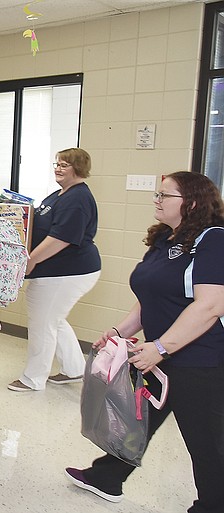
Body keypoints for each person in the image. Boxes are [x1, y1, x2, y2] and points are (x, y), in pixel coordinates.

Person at [65, 171, 224, 511]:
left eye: (164, 195)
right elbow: (148, 297)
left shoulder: (214, 241)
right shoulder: (165, 239)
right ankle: (107, 477)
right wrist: (119, 331)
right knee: (139, 421)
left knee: (208, 442)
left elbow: (210, 305)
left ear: (192, 203)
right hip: (158, 355)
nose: (157, 199)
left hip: (201, 362)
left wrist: (162, 346)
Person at [8, 148, 101, 392]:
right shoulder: (60, 194)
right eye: (57, 164)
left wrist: (32, 259)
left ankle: (33, 378)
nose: (58, 168)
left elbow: (61, 238)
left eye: (65, 165)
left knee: (42, 323)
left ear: (79, 168)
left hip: (67, 271)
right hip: (59, 271)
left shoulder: (78, 198)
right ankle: (75, 369)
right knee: (53, 320)